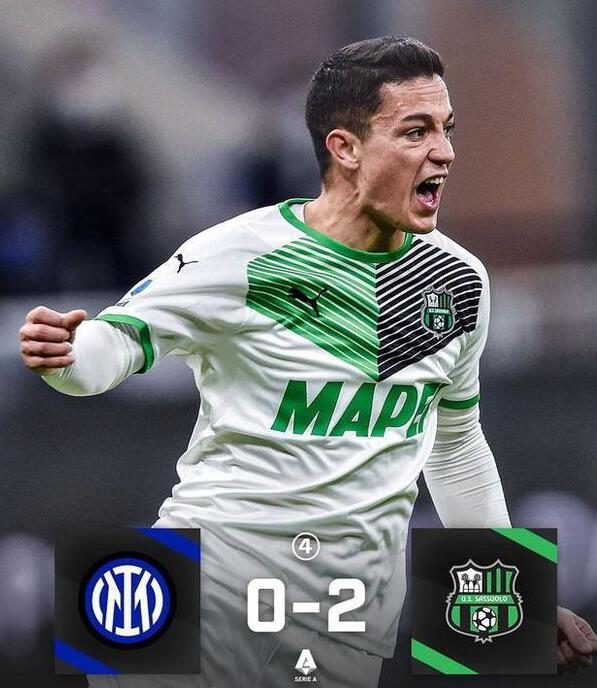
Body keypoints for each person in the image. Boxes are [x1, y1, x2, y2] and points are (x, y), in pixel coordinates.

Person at [19, 37, 596, 686]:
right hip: (201, 596)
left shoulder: (459, 281)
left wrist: (524, 604)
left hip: (343, 623)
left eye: (447, 129)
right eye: (416, 131)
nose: (444, 151)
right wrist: (67, 356)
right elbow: (117, 342)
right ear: (345, 148)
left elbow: (456, 447)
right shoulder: (242, 254)